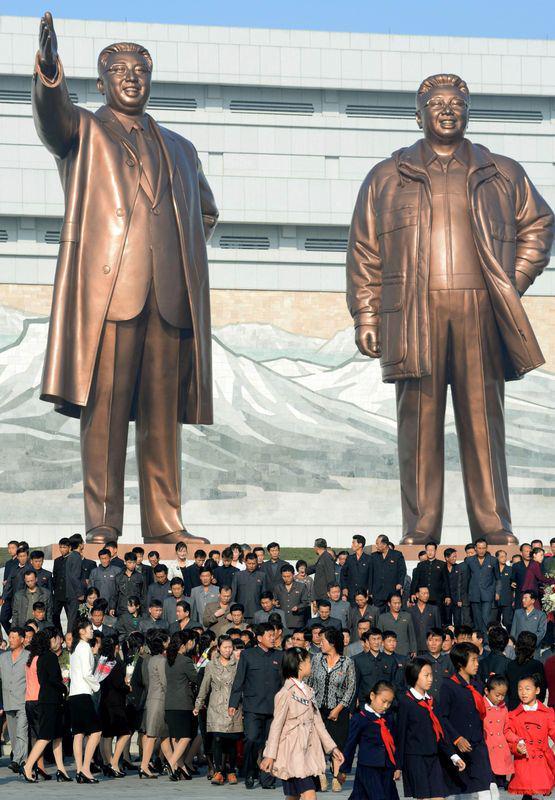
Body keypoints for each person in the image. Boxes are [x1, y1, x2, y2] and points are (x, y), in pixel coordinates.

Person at [260, 647, 344, 799]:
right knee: (309, 795)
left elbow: (318, 724)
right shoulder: (285, 693)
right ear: (299, 665)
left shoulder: (308, 691)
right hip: (292, 752)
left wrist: (332, 748)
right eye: (308, 661)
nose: (311, 665)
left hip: (309, 752)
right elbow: (276, 726)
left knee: (294, 796)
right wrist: (270, 755)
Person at [397, 658, 465, 800]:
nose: (430, 679)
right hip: (415, 759)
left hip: (434, 757)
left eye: (431, 675)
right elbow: (400, 735)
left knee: (439, 796)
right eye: (426, 675)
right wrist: (398, 766)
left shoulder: (432, 701)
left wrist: (454, 756)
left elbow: (440, 732)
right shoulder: (406, 702)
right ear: (415, 676)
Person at [228, 622, 284, 789]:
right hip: (253, 706)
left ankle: (267, 778)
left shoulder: (280, 655)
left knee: (271, 743)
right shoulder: (248, 655)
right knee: (252, 739)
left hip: (274, 708)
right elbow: (239, 679)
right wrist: (233, 703)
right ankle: (250, 772)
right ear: (259, 638)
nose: (273, 638)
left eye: (274, 635)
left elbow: (284, 682)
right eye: (269, 636)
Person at [440, 642, 493, 797]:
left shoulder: (477, 685)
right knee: (462, 793)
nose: (477, 664)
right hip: (459, 747)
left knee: (485, 789)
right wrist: (456, 738)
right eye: (473, 660)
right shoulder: (448, 686)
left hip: (477, 745)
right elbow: (442, 717)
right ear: (460, 664)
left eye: (477, 660)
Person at [21, 628, 71, 783]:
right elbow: (54, 679)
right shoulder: (50, 657)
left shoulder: (39, 657)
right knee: (45, 736)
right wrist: (64, 688)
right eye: (57, 638)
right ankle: (28, 766)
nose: (59, 641)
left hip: (47, 699)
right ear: (51, 639)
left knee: (57, 736)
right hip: (50, 700)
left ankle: (61, 770)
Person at [309, 628, 356, 791]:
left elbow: (351, 688)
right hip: (318, 710)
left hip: (339, 710)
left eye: (323, 641)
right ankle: (321, 775)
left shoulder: (347, 662)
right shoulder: (316, 659)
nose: (320, 643)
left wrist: (338, 708)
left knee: (337, 744)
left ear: (333, 643)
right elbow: (310, 682)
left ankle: (336, 777)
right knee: (318, 744)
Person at [194, 634, 243, 785]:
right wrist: (198, 704)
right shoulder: (210, 665)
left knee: (232, 739)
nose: (228, 650)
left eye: (230, 647)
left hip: (233, 706)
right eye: (225, 647)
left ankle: (231, 771)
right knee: (217, 738)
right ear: (219, 648)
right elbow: (204, 686)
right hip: (216, 706)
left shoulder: (238, 664)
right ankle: (218, 771)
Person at [342, 680, 400, 800]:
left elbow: (394, 743)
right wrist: (343, 769)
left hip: (387, 767)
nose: (386, 706)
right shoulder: (360, 718)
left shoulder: (389, 718)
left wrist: (397, 766)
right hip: (368, 767)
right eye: (383, 701)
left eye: (389, 703)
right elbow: (350, 745)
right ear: (372, 696)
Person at [505, 674, 555, 798]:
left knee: (540, 793)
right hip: (524, 761)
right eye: (520, 689)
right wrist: (516, 748)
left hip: (542, 762)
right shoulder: (514, 715)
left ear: (537, 690)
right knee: (527, 794)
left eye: (527, 689)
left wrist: (551, 751)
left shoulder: (547, 713)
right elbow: (508, 736)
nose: (523, 693)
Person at [68, 618, 102, 783]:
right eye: (89, 628)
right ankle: (86, 769)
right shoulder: (84, 647)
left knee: (79, 734)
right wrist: (97, 686)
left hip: (74, 694)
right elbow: (87, 673)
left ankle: (79, 769)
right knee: (96, 732)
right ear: (81, 631)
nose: (92, 631)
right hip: (83, 694)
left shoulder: (74, 648)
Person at [164, 630, 199, 778]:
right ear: (184, 644)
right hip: (183, 702)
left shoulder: (168, 659)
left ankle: (180, 767)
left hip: (169, 703)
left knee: (176, 737)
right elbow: (195, 678)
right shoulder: (185, 661)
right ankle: (172, 763)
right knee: (186, 736)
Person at [140, 629, 172, 778]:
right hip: (159, 700)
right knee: (152, 735)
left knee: (164, 736)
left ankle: (174, 765)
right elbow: (164, 682)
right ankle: (144, 766)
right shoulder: (161, 660)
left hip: (153, 699)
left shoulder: (152, 659)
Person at [98, 636, 131, 777]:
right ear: (115, 647)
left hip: (104, 702)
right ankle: (114, 763)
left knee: (107, 736)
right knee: (125, 733)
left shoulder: (101, 663)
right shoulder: (116, 664)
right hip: (116, 703)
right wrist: (128, 687)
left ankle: (108, 763)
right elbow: (119, 684)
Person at [0, 626, 28, 772]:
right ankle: (24, 763)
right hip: (8, 701)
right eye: (9, 637)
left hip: (23, 700)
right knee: (13, 734)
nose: (10, 640)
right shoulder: (3, 657)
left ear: (22, 639)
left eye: (13, 637)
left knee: (21, 731)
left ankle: (17, 760)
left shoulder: (28, 656)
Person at [353, 629, 398, 707]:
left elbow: (393, 683)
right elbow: (355, 685)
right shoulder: (359, 661)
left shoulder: (390, 660)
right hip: (365, 703)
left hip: (386, 704)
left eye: (378, 639)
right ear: (368, 641)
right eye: (373, 639)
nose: (376, 642)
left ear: (382, 641)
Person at [483, 674, 512, 791]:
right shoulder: (481, 706)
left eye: (503, 695)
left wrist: (517, 739)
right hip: (487, 747)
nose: (500, 698)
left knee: (499, 785)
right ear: (487, 691)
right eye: (497, 695)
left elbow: (506, 729)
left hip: (500, 748)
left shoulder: (503, 708)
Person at [506, 631, 546, 710]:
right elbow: (542, 694)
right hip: (531, 709)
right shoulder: (537, 665)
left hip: (513, 708)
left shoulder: (510, 665)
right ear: (532, 648)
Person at [368, 536, 407, 611]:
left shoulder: (397, 555)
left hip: (392, 590)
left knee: (393, 612)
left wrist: (400, 583)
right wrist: (370, 591)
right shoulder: (373, 556)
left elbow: (402, 570)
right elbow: (370, 574)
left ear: (384, 544)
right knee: (378, 613)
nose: (376, 546)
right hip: (377, 592)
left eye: (377, 544)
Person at [409, 542, 450, 608]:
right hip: (423, 597)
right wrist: (413, 593)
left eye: (432, 550)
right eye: (428, 550)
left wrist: (448, 596)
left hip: (438, 597)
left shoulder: (442, 564)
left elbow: (446, 581)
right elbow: (415, 580)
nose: (430, 552)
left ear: (435, 551)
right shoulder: (420, 565)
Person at [231, 553, 268, 622]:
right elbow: (233, 594)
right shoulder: (238, 575)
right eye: (249, 563)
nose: (251, 566)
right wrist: (232, 610)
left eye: (253, 563)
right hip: (241, 613)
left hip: (257, 612)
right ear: (245, 562)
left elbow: (264, 594)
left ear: (257, 563)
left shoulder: (262, 576)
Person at [378, 592, 417, 657]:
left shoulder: (407, 616)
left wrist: (414, 650)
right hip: (388, 653)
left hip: (404, 652)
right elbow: (379, 636)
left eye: (399, 603)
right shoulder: (382, 618)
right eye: (395, 603)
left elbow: (411, 634)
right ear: (389, 603)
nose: (397, 605)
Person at [274, 565, 311, 630]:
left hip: (297, 621)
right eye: (284, 576)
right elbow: (275, 601)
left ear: (293, 575)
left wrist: (298, 607)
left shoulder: (301, 586)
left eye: (289, 576)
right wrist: (275, 604)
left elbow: (306, 602)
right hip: (282, 621)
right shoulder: (277, 588)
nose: (286, 579)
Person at [511, 591, 547, 656]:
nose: (523, 600)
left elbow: (542, 632)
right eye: (523, 598)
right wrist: (512, 643)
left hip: (533, 649)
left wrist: (530, 642)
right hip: (519, 648)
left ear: (533, 601)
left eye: (526, 598)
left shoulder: (541, 615)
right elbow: (513, 630)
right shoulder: (517, 613)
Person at [423, 627, 454, 701]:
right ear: (426, 642)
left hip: (445, 702)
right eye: (430, 640)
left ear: (442, 642)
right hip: (425, 703)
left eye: (437, 640)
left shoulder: (449, 661)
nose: (433, 643)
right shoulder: (419, 660)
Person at [408, 587, 441, 654]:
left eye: (427, 593)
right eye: (424, 593)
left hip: (431, 646)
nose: (426, 595)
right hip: (416, 647)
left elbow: (438, 628)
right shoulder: (410, 610)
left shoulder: (434, 609)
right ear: (417, 595)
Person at [340, 535, 372, 606]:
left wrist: (370, 590)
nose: (352, 545)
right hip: (351, 594)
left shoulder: (369, 559)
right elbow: (343, 574)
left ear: (360, 545)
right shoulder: (349, 558)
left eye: (353, 543)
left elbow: (371, 576)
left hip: (364, 594)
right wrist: (344, 588)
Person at [65, 534, 86, 632]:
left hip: (71, 593)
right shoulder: (76, 557)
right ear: (80, 544)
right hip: (75, 595)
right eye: (82, 542)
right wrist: (79, 593)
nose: (83, 544)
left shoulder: (70, 556)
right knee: (74, 618)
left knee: (73, 617)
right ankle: (70, 637)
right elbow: (75, 577)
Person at [307, 539, 337, 605]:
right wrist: (304, 570)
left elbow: (330, 576)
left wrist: (331, 591)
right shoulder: (322, 557)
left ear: (316, 547)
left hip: (324, 594)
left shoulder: (327, 557)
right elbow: (315, 567)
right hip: (320, 594)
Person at [443, 548, 465, 627]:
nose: (455, 558)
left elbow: (461, 584)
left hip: (456, 599)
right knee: (447, 620)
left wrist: (460, 599)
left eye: (456, 556)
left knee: (458, 621)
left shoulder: (458, 567)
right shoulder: (442, 568)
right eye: (453, 557)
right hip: (445, 599)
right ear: (446, 558)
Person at [495, 550, 515, 630]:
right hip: (495, 600)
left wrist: (513, 583)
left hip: (507, 599)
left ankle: (510, 635)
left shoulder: (510, 569)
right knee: (495, 621)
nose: (504, 558)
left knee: (507, 621)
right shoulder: (493, 569)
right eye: (501, 557)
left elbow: (514, 580)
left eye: (505, 556)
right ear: (497, 558)